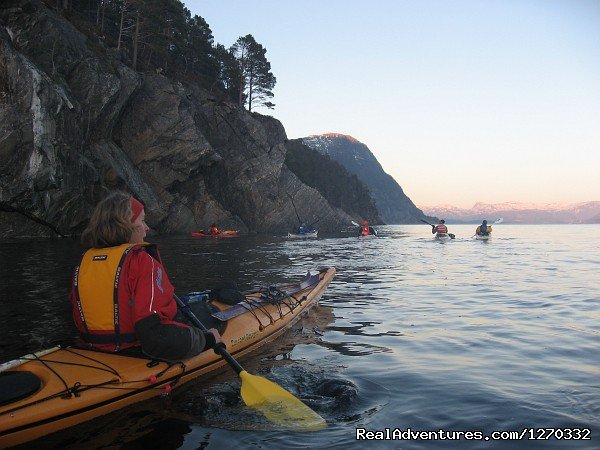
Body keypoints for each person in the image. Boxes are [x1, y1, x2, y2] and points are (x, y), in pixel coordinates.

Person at [71, 191, 222, 361]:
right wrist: (207, 339)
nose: (147, 227)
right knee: (214, 317)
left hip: (92, 347)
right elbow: (153, 333)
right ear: (126, 225)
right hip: (134, 350)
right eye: (142, 220)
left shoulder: (85, 261)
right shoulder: (142, 262)